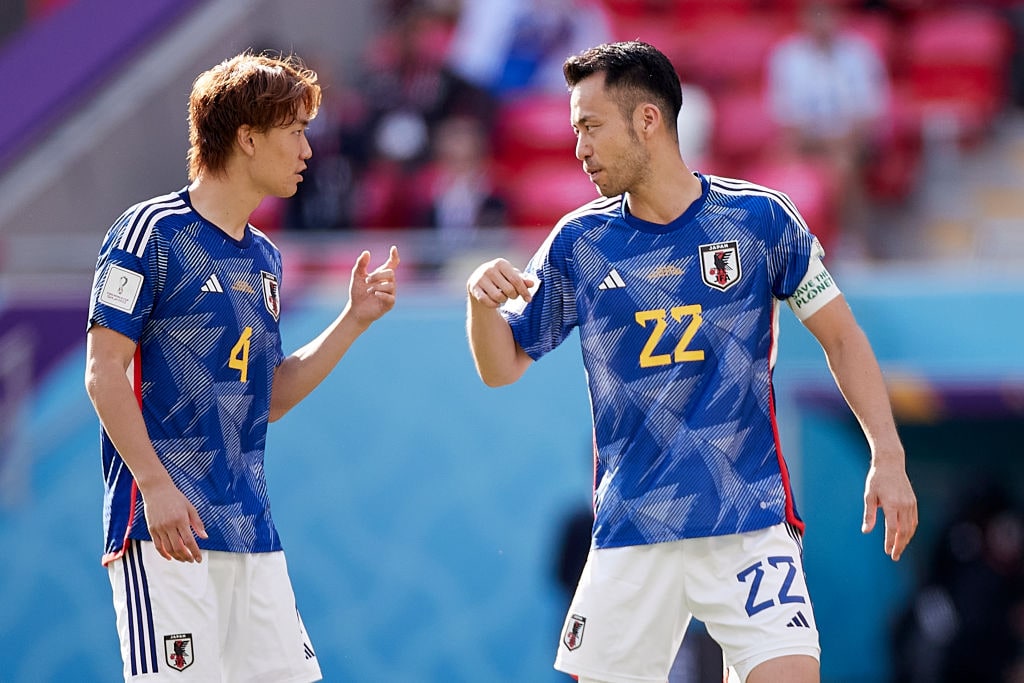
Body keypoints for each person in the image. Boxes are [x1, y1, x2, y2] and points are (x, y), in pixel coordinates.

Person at [465, 40, 917, 683]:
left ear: (647, 120)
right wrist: (481, 304)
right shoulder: (578, 242)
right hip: (631, 527)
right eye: (573, 131)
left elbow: (842, 338)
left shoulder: (760, 220)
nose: (579, 149)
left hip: (748, 520)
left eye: (590, 127)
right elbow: (501, 365)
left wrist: (888, 454)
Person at [84, 51, 399, 682]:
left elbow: (271, 397)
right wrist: (155, 486)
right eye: (296, 132)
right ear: (248, 138)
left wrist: (353, 321)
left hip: (251, 529)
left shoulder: (265, 260)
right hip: (165, 531)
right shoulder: (149, 232)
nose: (309, 150)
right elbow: (103, 370)